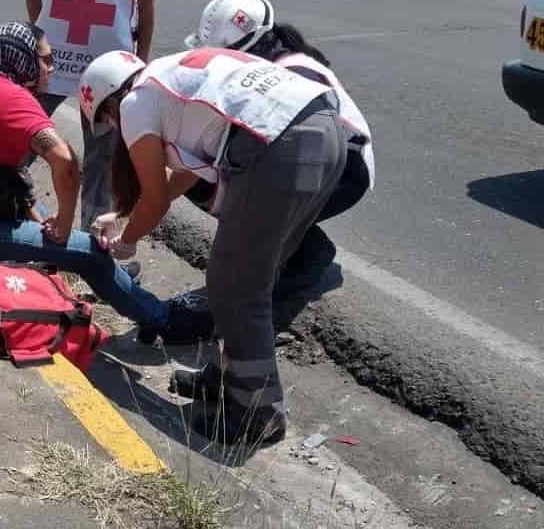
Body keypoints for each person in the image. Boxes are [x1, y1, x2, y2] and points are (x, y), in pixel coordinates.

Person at [80, 45, 349, 446]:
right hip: (324, 132)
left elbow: (155, 200)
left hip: (279, 146)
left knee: (234, 286)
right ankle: (229, 378)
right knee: (255, 277)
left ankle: (258, 414)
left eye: (106, 118)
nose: (115, 129)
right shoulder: (169, 80)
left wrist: (128, 241)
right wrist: (122, 218)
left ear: (111, 101)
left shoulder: (135, 103)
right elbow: (181, 177)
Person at [0, 23, 172, 337]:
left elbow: (14, 178)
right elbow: (67, 163)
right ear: (23, 60)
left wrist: (53, 225)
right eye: (45, 59)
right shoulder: (12, 97)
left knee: (47, 221)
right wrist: (66, 223)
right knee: (89, 252)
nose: (51, 68)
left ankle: (115, 277)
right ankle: (161, 317)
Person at [181, 0, 374, 299]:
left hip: (343, 172)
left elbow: (298, 155)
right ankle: (296, 241)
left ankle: (305, 258)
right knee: (211, 179)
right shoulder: (271, 65)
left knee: (238, 197)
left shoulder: (293, 72)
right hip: (318, 166)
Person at [25, 0, 158, 231]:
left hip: (109, 76)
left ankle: (90, 238)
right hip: (53, 64)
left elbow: (145, 11)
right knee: (22, 140)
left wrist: (140, 66)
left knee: (103, 159)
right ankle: (15, 216)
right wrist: (41, 39)